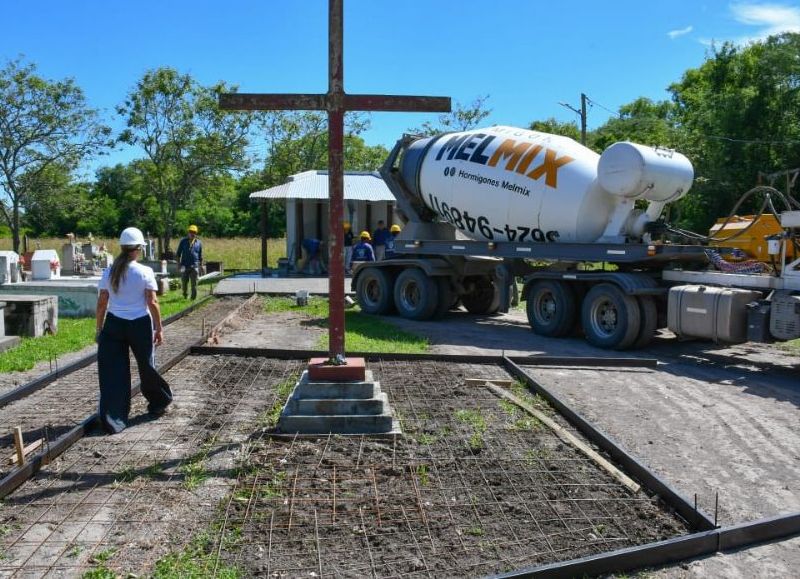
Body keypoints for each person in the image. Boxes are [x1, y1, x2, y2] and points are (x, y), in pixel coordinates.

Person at [96, 227, 172, 434]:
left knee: (113, 372)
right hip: (139, 324)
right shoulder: (144, 272)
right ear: (139, 249)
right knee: (146, 366)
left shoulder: (109, 271)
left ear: (122, 247)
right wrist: (158, 328)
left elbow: (102, 302)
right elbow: (152, 302)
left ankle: (113, 419)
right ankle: (158, 402)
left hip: (114, 324)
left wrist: (99, 328)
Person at [175, 224, 203, 300]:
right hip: (184, 266)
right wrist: (178, 265)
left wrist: (201, 266)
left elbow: (200, 256)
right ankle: (185, 296)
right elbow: (178, 254)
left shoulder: (199, 243)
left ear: (196, 233)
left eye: (194, 232)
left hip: (195, 266)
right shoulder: (183, 241)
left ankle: (193, 298)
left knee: (194, 284)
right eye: (191, 232)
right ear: (188, 232)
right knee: (184, 283)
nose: (192, 233)